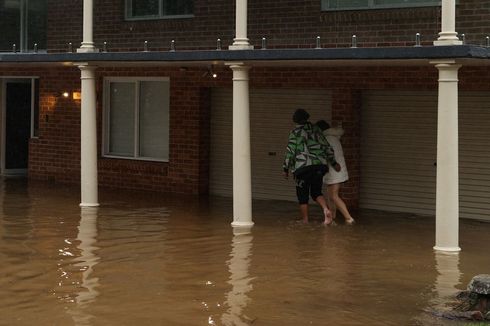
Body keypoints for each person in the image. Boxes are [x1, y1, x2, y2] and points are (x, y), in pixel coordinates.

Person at [283, 109, 341, 225]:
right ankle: (326, 210)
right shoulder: (317, 130)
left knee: (302, 194)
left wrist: (285, 168)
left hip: (303, 167)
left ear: (295, 120)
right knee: (316, 192)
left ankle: (305, 220)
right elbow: (326, 147)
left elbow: (290, 151)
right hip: (319, 166)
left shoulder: (295, 132)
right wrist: (333, 163)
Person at [316, 120, 355, 225]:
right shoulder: (333, 137)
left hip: (334, 171)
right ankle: (332, 218)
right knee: (331, 195)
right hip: (336, 171)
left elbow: (328, 156)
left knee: (333, 196)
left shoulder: (326, 139)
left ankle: (348, 218)